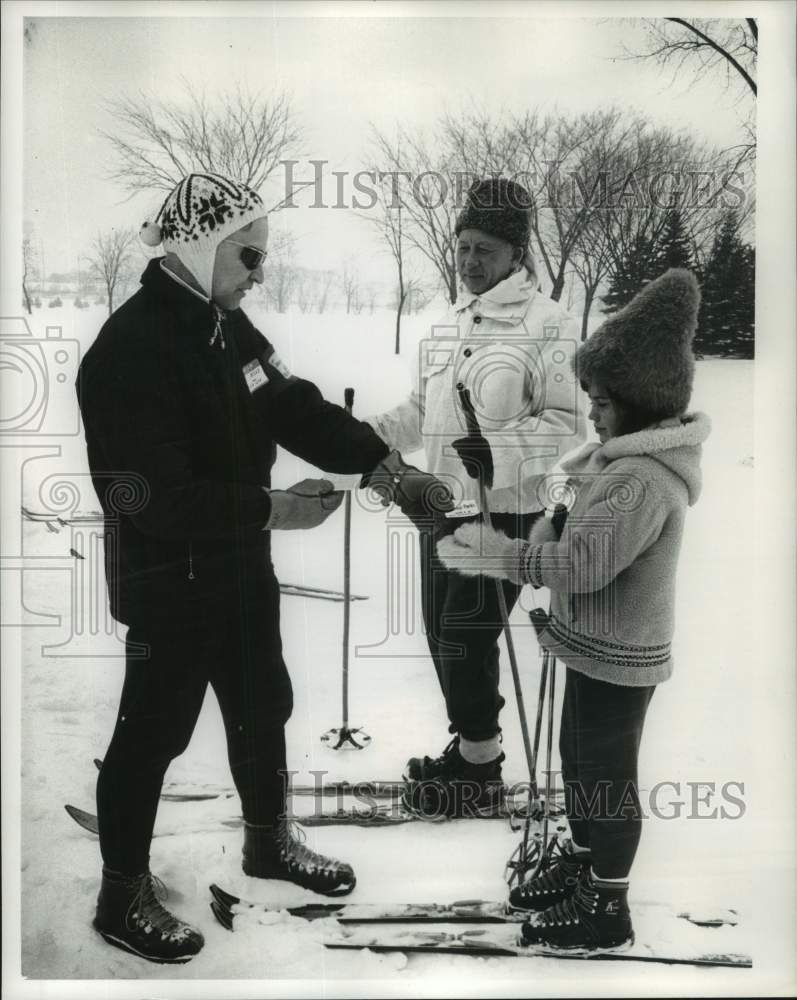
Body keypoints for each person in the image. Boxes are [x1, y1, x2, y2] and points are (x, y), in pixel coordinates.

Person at [76, 171, 452, 964]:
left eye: (261, 254)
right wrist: (273, 508)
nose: (259, 270)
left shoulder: (227, 330)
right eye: (249, 253)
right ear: (201, 246)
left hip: (239, 568)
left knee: (262, 704)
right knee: (152, 735)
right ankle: (120, 894)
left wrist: (387, 470)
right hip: (167, 579)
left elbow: (293, 406)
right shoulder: (129, 351)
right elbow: (157, 499)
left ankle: (267, 843)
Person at [438, 268, 711, 954]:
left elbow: (584, 565)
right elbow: (568, 535)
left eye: (602, 401)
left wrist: (502, 557)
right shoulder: (615, 463)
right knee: (579, 763)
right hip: (592, 646)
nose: (591, 413)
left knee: (605, 778)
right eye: (589, 398)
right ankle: (585, 866)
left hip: (618, 656)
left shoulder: (639, 479)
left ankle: (607, 904)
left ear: (643, 399)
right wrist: (554, 512)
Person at [365, 177, 585, 818]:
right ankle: (473, 750)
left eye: (484, 249)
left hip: (508, 511)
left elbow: (568, 424)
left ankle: (478, 768)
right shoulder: (451, 322)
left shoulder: (550, 326)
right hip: (443, 505)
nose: (468, 262)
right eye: (462, 247)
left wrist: (499, 454)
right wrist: (364, 438)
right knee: (442, 633)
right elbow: (420, 411)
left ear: (518, 253)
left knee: (466, 634)